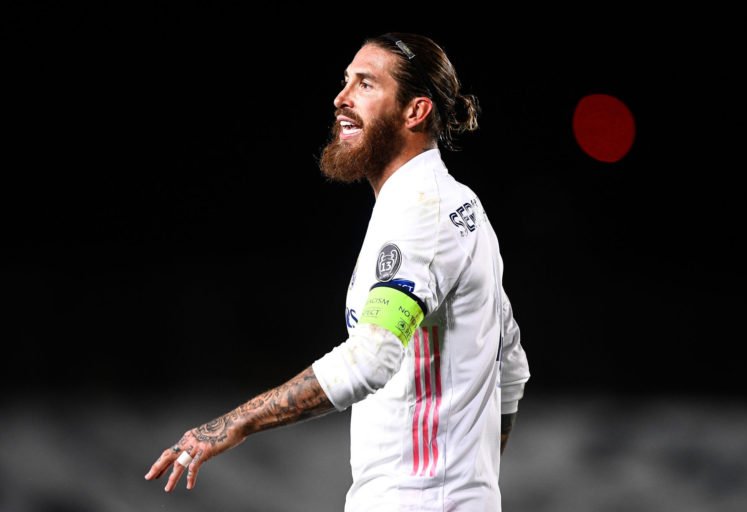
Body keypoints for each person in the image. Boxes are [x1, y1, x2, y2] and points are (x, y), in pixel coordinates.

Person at [145, 32, 530, 511]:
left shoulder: (421, 213)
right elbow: (510, 362)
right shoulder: (459, 206)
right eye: (346, 81)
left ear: (415, 111)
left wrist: (235, 423)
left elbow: (371, 358)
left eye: (365, 84)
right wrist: (473, 482)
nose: (341, 98)